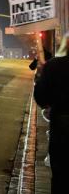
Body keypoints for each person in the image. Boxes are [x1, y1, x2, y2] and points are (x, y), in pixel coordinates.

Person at [34, 31, 69, 193]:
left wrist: (42, 75)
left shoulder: (54, 65)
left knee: (61, 177)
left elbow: (41, 97)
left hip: (62, 130)